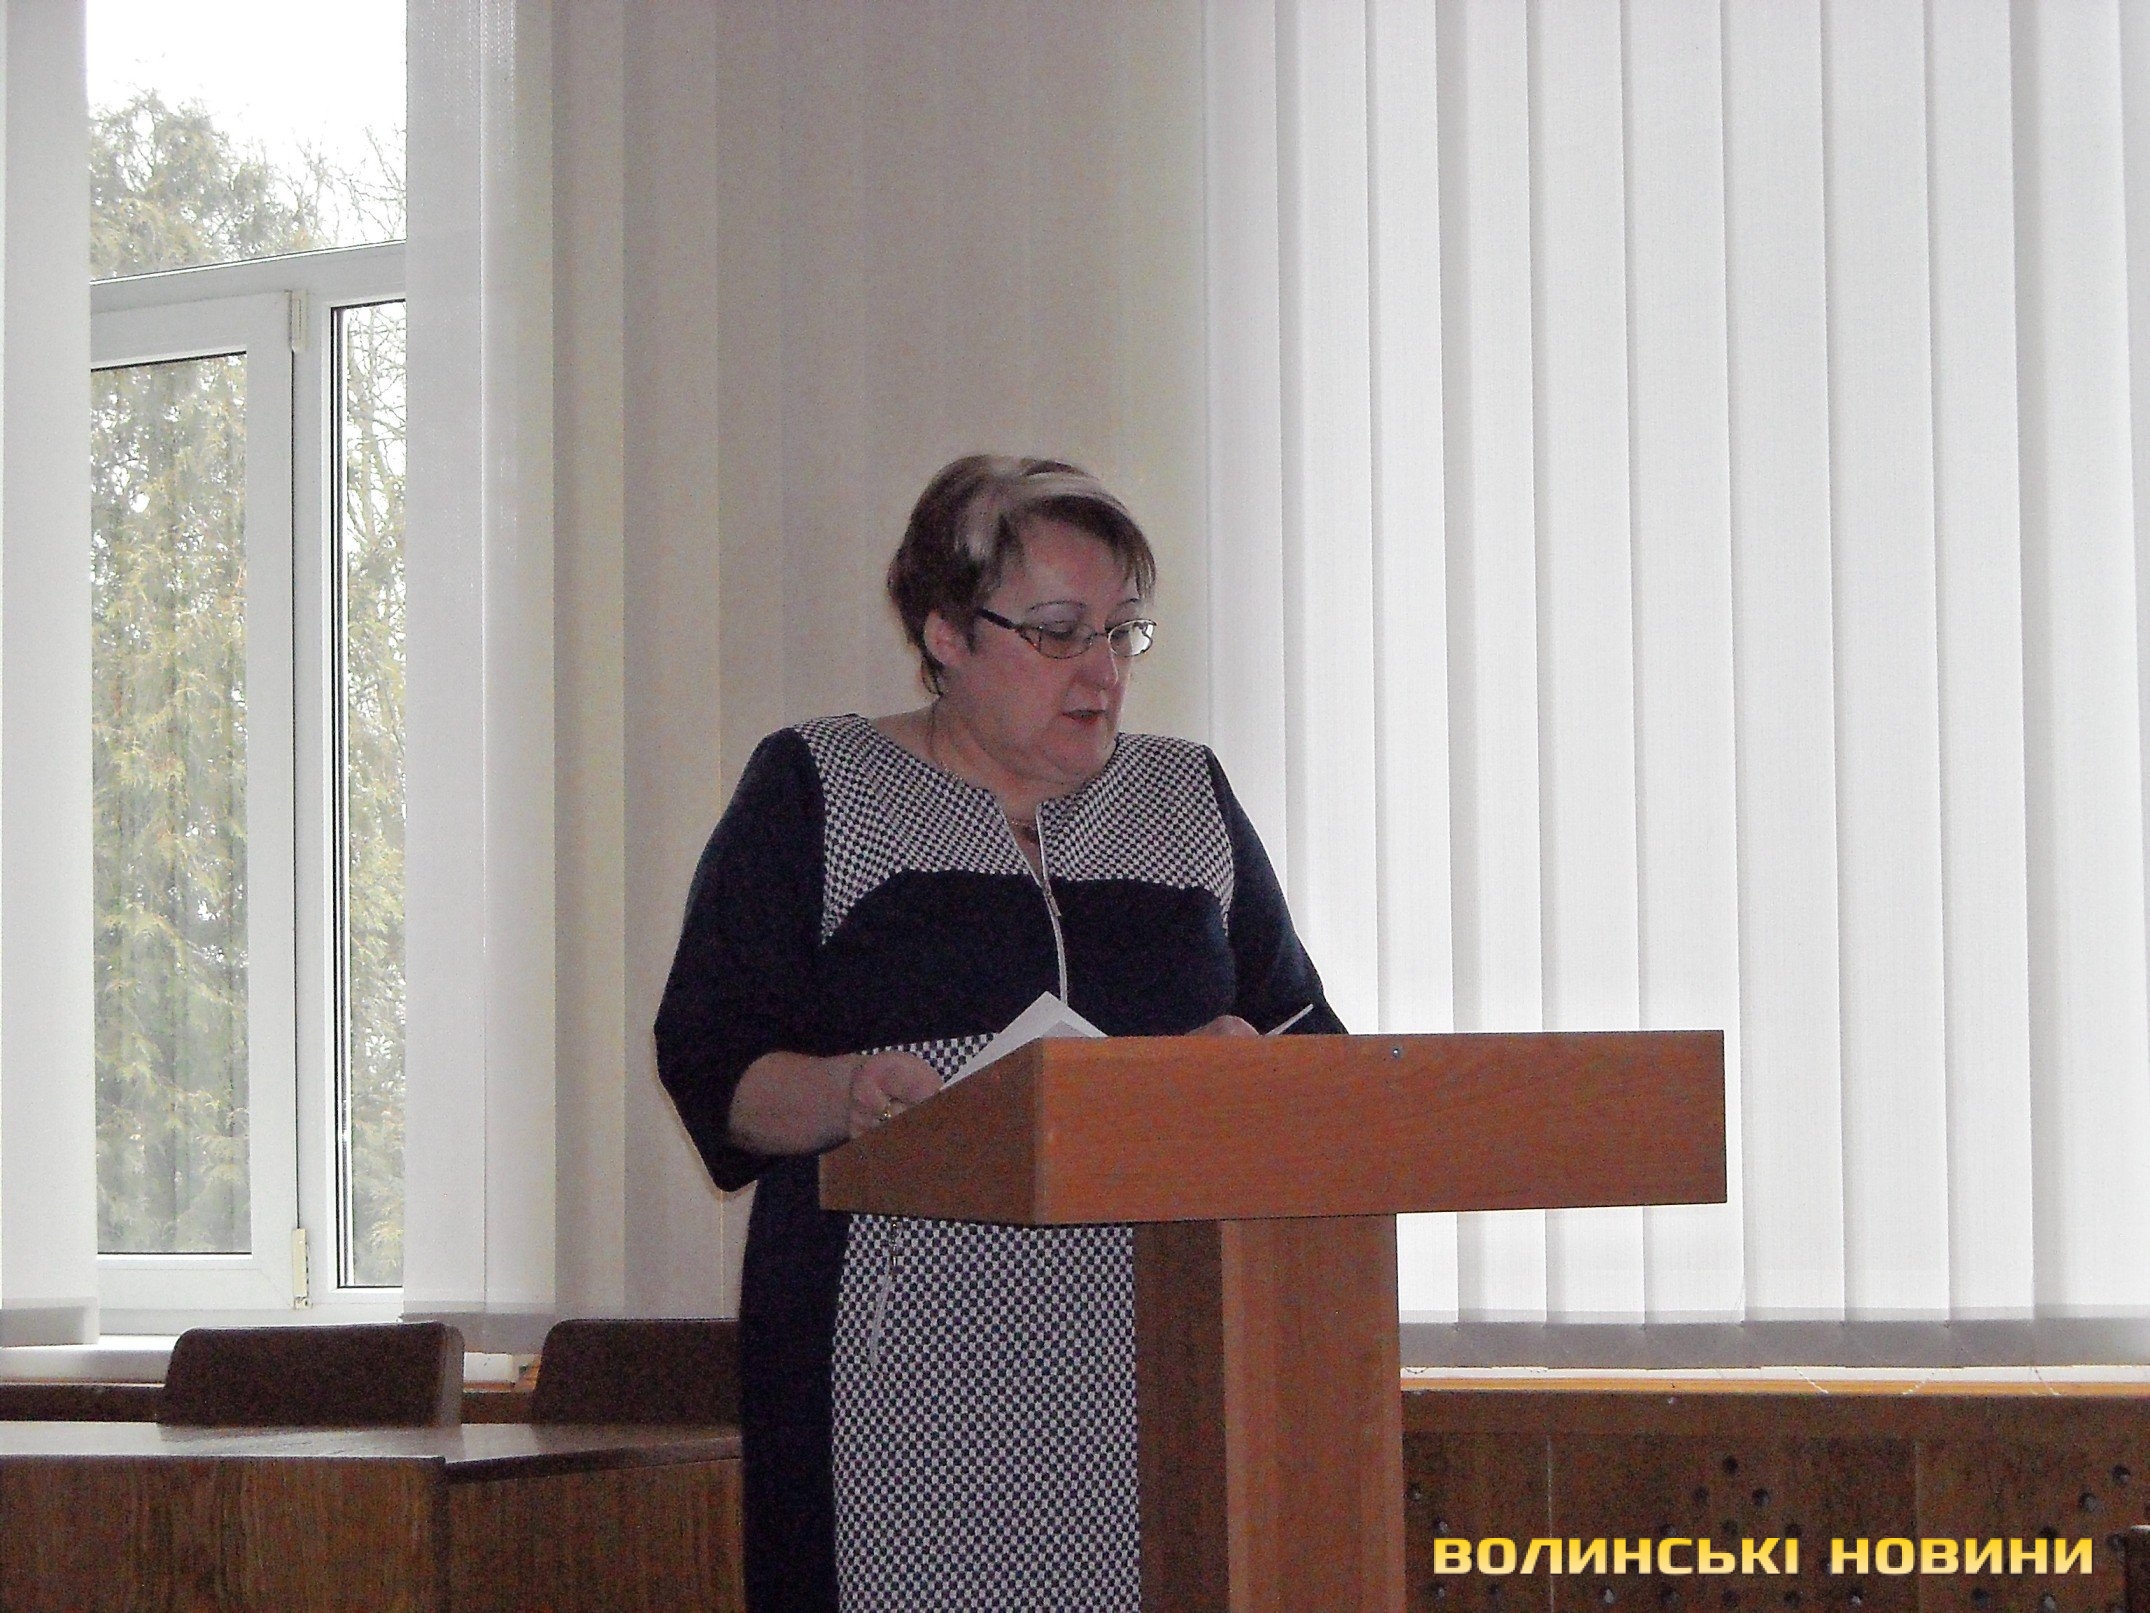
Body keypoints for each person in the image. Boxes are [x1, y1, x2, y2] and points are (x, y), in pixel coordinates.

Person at [655, 454, 1342, 1613]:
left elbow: (1309, 1042)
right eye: (1059, 631)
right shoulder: (818, 786)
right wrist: (848, 1094)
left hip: (1157, 1363)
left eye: (1121, 632)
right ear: (944, 632)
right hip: (893, 1366)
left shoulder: (1185, 800)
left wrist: (1247, 1076)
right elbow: (711, 1062)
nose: (1101, 670)